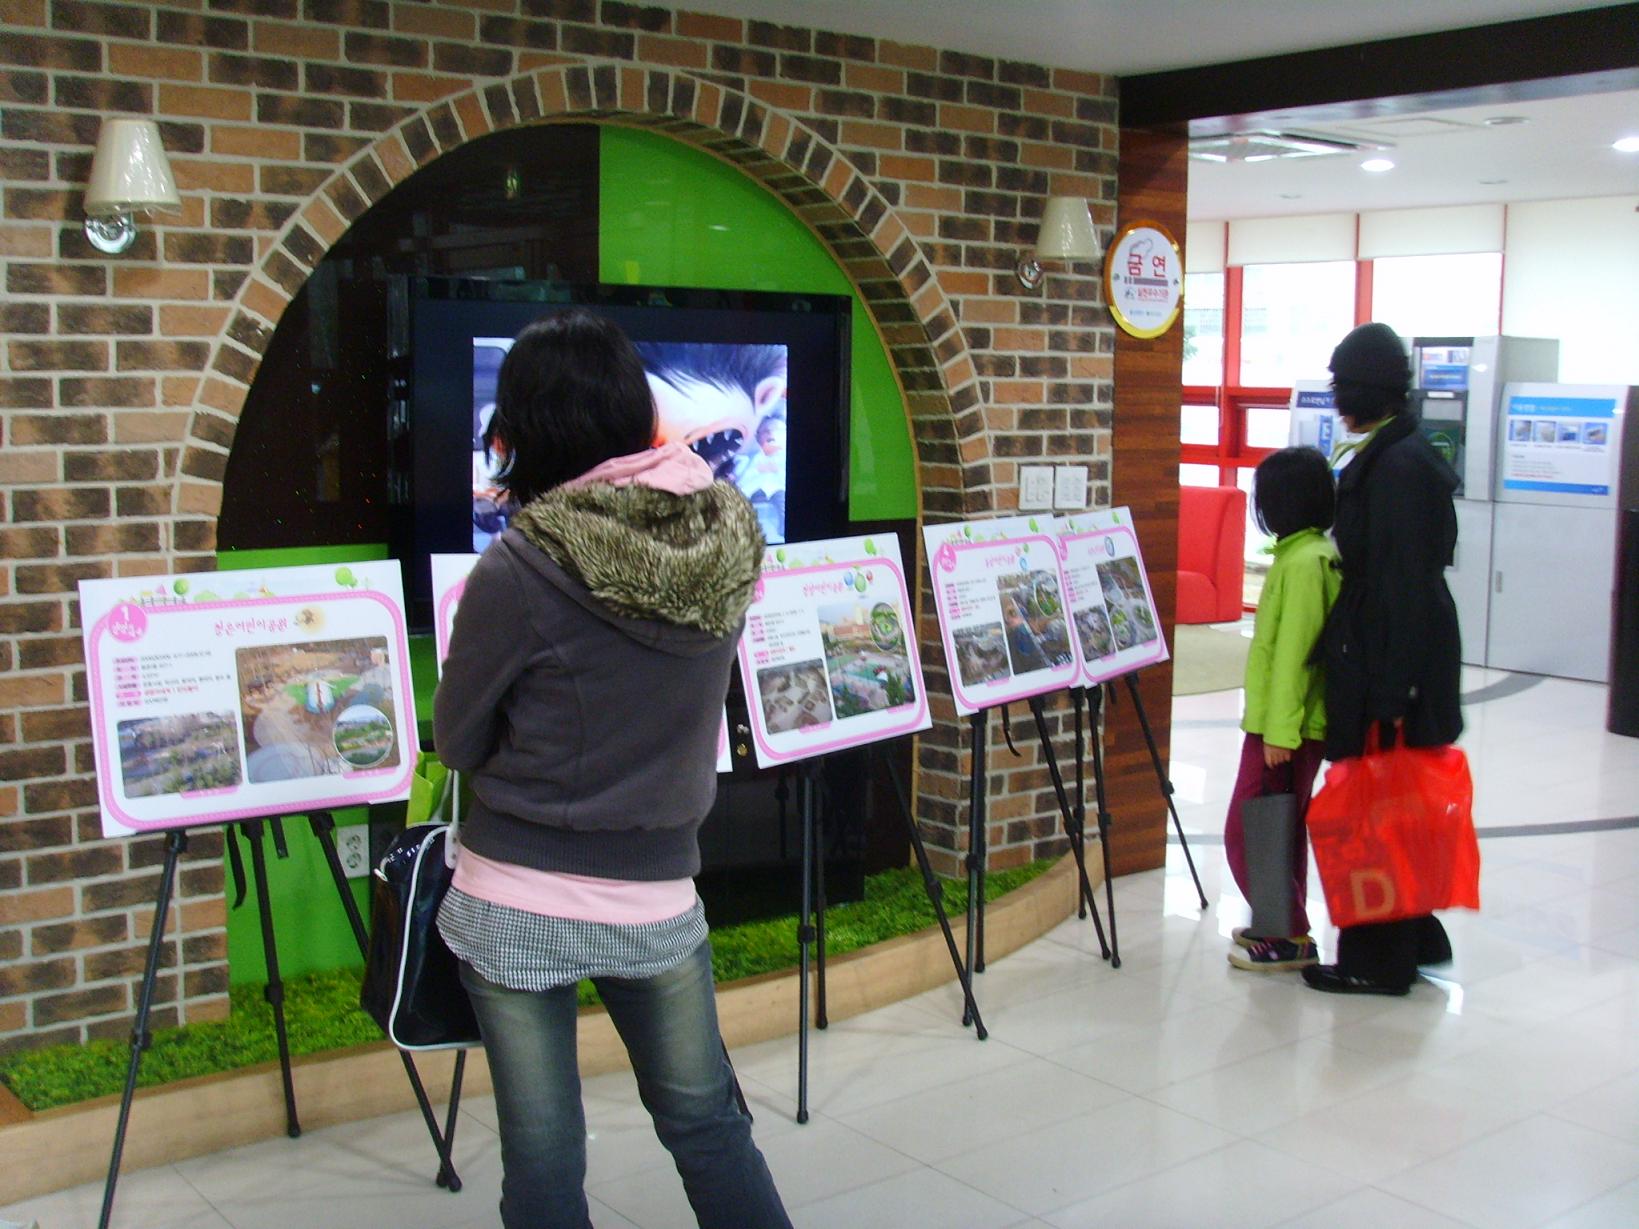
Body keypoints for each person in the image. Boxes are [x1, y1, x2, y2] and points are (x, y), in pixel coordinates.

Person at [433, 309, 792, 1229]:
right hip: (657, 893)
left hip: (514, 893)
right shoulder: (729, 541)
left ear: (527, 431)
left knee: (544, 1161)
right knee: (708, 1124)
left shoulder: (517, 565)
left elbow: (458, 739)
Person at [1305, 321, 1463, 996]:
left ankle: (1376, 958)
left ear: (1370, 388)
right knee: (1395, 804)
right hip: (1396, 654)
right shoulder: (1402, 452)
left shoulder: (1395, 467)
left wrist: (1389, 693)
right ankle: (1415, 933)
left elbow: (1400, 586)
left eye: (1343, 386)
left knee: (1374, 808)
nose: (1337, 398)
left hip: (1389, 665)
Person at [1224, 447, 1341, 972]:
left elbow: (1296, 656)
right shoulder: (1301, 554)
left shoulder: (1307, 562)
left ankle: (1289, 933)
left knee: (1248, 828)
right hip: (1280, 725)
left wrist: (1281, 733)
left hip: (1284, 730)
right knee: (1278, 827)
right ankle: (1279, 920)